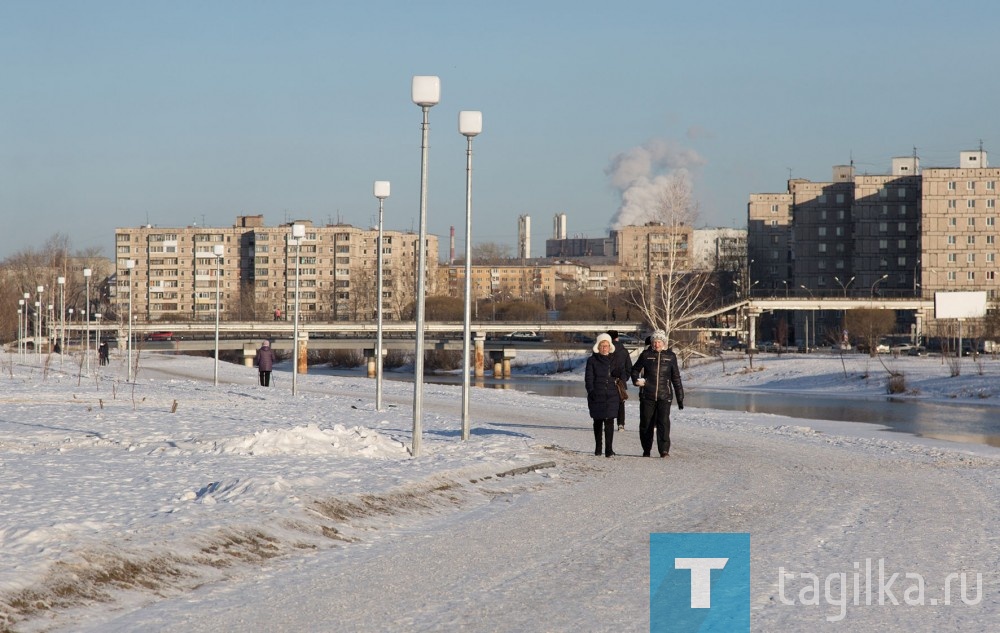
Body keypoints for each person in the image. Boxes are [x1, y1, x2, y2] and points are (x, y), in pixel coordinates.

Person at [630, 329, 684, 458]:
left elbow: (676, 377)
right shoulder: (645, 355)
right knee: (646, 423)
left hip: (664, 396)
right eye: (654, 342)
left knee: (663, 423)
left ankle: (664, 450)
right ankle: (646, 449)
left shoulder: (671, 356)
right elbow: (634, 370)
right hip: (647, 395)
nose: (656, 344)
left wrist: (680, 397)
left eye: (659, 342)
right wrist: (636, 381)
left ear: (663, 342)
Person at [585, 333, 626, 458]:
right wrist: (591, 391)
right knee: (597, 421)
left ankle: (609, 449)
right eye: (602, 345)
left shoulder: (614, 359)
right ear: (598, 346)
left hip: (612, 394)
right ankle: (598, 448)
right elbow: (589, 378)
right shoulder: (592, 360)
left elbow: (622, 374)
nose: (605, 348)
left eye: (607, 345)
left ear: (610, 346)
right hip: (597, 394)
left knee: (610, 421)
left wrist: (620, 375)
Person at [607, 330, 631, 431]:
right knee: (621, 402)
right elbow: (629, 367)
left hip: (608, 380)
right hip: (621, 380)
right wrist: (625, 378)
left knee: (608, 401)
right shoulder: (624, 350)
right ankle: (621, 424)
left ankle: (609, 422)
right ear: (617, 337)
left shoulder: (606, 349)